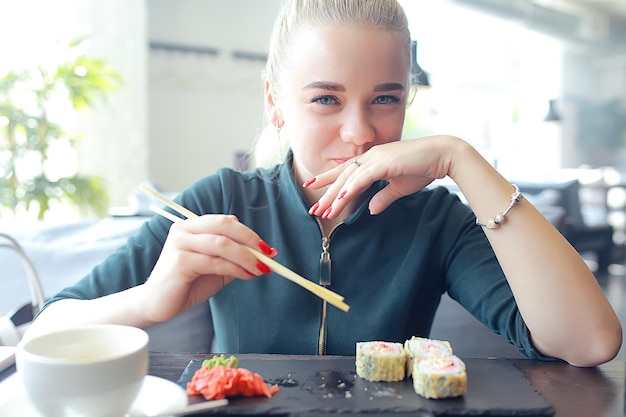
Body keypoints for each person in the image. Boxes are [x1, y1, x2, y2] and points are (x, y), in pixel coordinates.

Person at [25, 0, 621, 367]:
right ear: (277, 104)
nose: (360, 132)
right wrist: (151, 300)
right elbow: (45, 328)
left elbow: (591, 342)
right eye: (325, 99)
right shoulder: (222, 201)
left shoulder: (434, 220)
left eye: (385, 99)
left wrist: (462, 160)